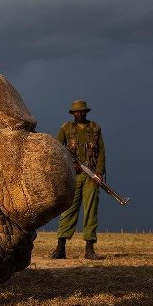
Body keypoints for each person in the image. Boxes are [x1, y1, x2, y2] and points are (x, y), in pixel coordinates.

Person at [50, 100, 106, 260]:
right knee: (68, 210)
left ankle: (89, 249)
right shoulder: (66, 128)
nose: (80, 113)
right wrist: (70, 164)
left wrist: (99, 172)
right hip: (73, 176)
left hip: (91, 176)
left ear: (86, 112)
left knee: (91, 211)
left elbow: (101, 152)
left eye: (82, 111)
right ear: (73, 113)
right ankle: (60, 248)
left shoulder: (95, 128)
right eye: (77, 111)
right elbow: (57, 149)